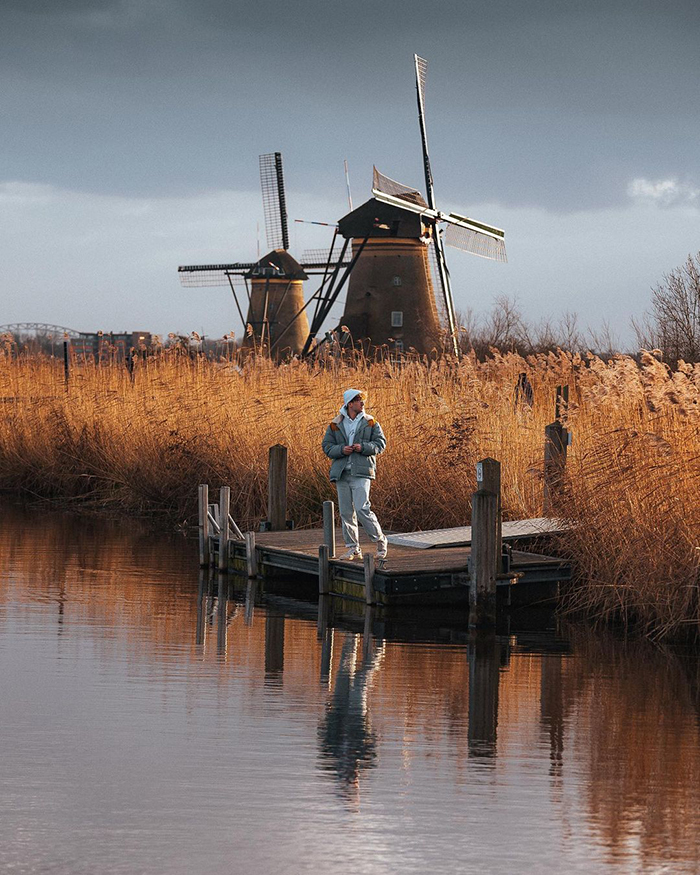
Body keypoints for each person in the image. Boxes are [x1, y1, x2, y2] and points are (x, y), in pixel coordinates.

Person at [322, 389, 388, 560]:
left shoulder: (371, 422)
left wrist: (363, 447)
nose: (362, 403)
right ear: (349, 403)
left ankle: (380, 542)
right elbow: (327, 447)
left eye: (362, 400)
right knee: (345, 512)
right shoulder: (335, 424)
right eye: (359, 400)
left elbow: (381, 444)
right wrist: (342, 450)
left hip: (362, 472)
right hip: (342, 473)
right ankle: (353, 548)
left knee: (362, 509)